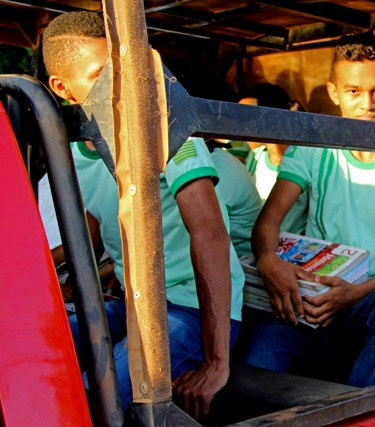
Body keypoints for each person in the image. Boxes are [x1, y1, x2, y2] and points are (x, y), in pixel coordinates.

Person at [42, 11, 243, 419]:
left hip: (190, 308)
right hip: (132, 305)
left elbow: (210, 232)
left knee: (92, 397)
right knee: (38, 351)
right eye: (101, 76)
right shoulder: (72, 152)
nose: (119, 88)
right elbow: (95, 226)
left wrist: (216, 362)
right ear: (63, 88)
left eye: (123, 72)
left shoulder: (166, 126)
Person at [244, 32, 375, 387]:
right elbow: (268, 220)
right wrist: (269, 261)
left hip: (369, 300)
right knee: (258, 368)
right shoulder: (312, 148)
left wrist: (353, 294)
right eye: (353, 91)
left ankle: (362, 413)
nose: (368, 103)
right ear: (334, 92)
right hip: (309, 302)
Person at [242, 83, 309, 235]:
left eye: (247, 116)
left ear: (272, 117)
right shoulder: (255, 157)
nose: (240, 124)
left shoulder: (302, 159)